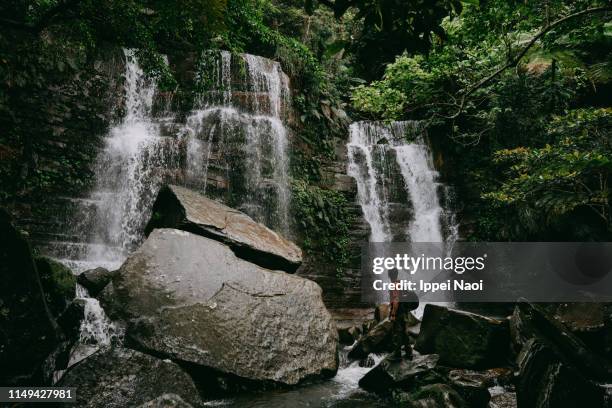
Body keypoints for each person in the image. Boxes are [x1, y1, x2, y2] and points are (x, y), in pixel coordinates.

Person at [388, 268, 418, 360]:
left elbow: (396, 300)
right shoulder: (400, 283)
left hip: (399, 313)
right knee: (404, 333)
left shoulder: (394, 285)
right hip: (404, 312)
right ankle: (409, 353)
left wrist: (393, 314)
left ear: (390, 275)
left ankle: (397, 355)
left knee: (397, 333)